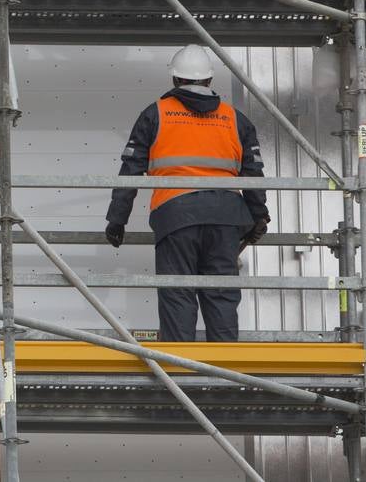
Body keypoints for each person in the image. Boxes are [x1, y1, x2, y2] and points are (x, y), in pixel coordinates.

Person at [104, 45, 270, 342]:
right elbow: (253, 174)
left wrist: (117, 219)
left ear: (175, 78)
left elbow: (131, 169)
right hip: (225, 219)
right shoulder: (234, 119)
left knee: (178, 294)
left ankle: (181, 365)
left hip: (176, 216)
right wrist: (259, 217)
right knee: (221, 295)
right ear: (209, 79)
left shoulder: (155, 114)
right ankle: (223, 366)